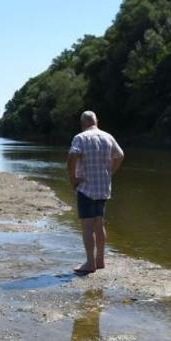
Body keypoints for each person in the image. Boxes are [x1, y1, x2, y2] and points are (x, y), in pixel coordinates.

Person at [66, 111, 124, 274]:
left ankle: (90, 264)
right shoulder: (107, 136)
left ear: (82, 123)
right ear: (96, 121)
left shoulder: (80, 137)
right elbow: (120, 155)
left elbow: (72, 156)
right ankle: (100, 260)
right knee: (99, 223)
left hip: (86, 187)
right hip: (103, 187)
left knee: (87, 226)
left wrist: (73, 178)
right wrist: (110, 171)